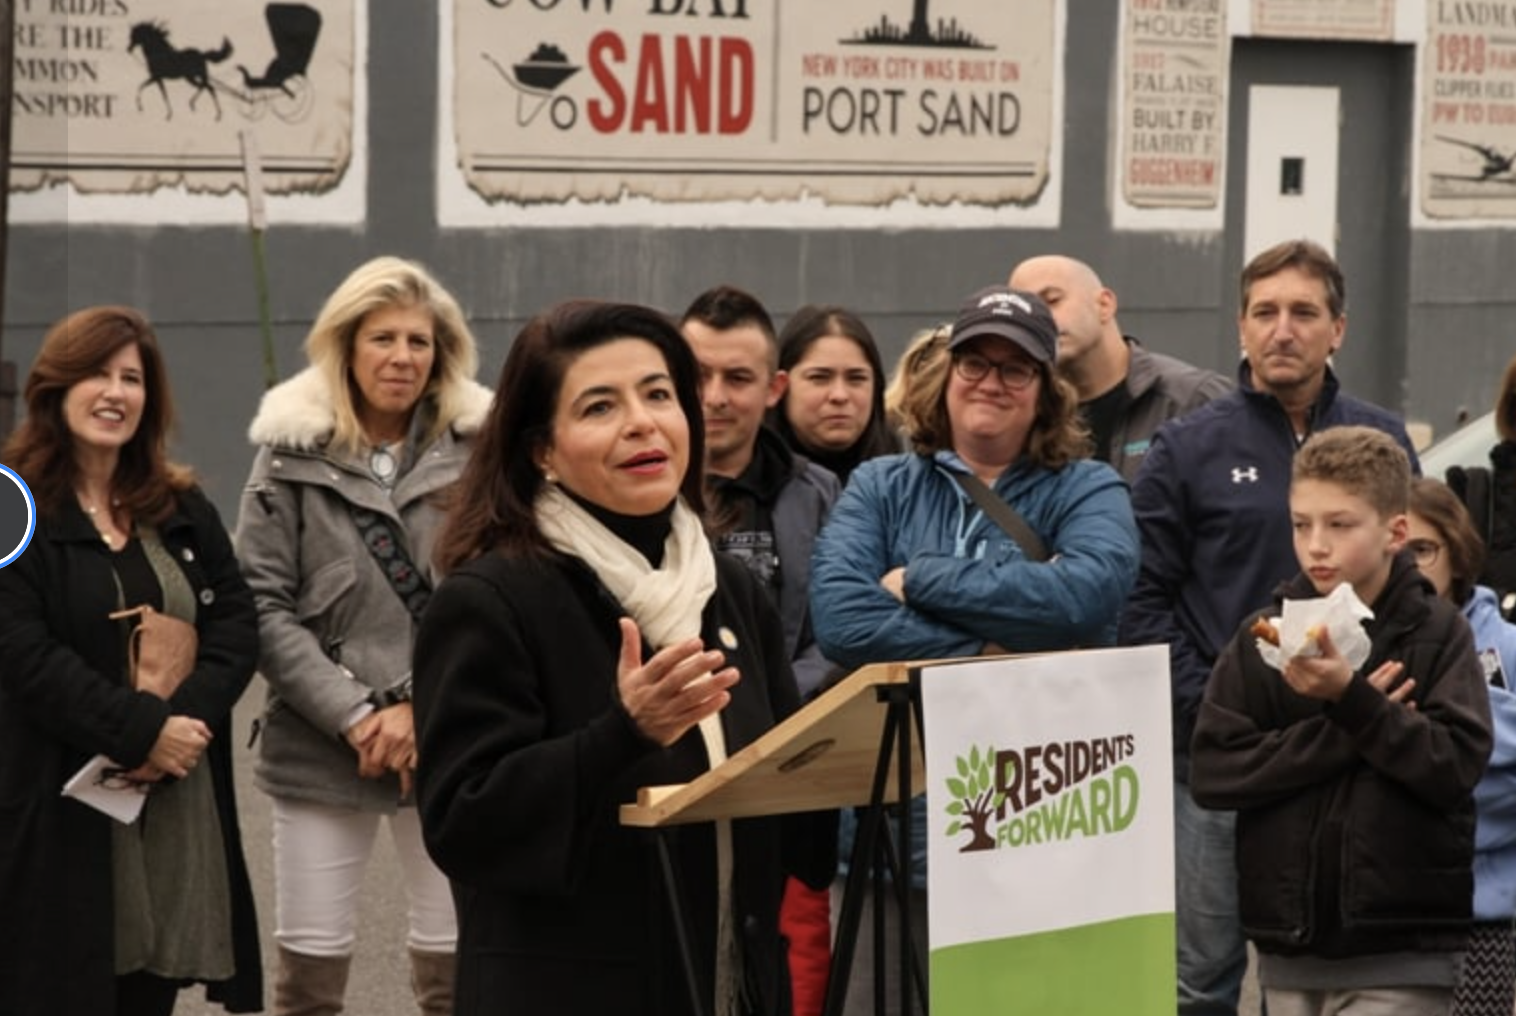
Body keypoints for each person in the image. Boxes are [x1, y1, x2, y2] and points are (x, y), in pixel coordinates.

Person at [411, 299, 831, 1016]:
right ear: (542, 449)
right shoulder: (492, 598)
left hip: (731, 981)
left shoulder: (727, 588)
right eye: (600, 406)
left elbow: (791, 813)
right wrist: (623, 734)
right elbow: (463, 821)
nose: (642, 421)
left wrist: (864, 757)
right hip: (571, 990)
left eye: (660, 394)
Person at [810, 284, 1140, 1014]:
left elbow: (1086, 598)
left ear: (1045, 392)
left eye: (1014, 367)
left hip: (1036, 829)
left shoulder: (1089, 490)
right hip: (893, 839)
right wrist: (997, 644)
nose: (991, 381)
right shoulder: (880, 484)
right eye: (974, 362)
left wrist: (920, 578)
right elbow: (842, 621)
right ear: (945, 375)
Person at [1118, 238, 1423, 1016]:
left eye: (1304, 312)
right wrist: (1207, 710)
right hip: (1223, 764)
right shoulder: (1188, 446)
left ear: (1339, 329)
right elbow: (1142, 599)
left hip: (1350, 752)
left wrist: (1374, 706)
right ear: (1242, 327)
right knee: (1202, 981)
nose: (1283, 329)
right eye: (1265, 312)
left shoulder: (1382, 439)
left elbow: (1416, 585)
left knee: (1322, 980)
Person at [235, 257, 490, 1015]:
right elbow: (261, 604)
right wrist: (353, 712)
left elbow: (493, 599)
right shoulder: (288, 453)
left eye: (419, 341)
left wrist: (418, 706)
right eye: (384, 338)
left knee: (457, 974)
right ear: (346, 346)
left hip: (449, 739)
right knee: (308, 979)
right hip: (319, 741)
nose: (403, 357)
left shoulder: (478, 454)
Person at [0, 305, 262, 1016]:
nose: (114, 392)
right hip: (56, 810)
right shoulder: (12, 503)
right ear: (54, 387)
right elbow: (22, 651)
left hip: (170, 808)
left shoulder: (178, 505)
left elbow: (237, 623)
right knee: (59, 982)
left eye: (131, 377)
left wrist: (178, 728)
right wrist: (140, 730)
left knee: (149, 988)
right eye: (95, 373)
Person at [1190, 426, 1492, 1016]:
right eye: (1301, 524)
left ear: (1395, 532)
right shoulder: (1266, 634)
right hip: (1288, 947)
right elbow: (1214, 771)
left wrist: (1353, 700)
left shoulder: (1438, 632)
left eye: (1340, 524)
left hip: (1402, 945)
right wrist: (1348, 722)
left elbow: (1454, 767)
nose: (1316, 546)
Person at [679, 284, 842, 1016]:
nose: (714, 397)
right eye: (696, 375)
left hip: (788, 769)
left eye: (738, 378)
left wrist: (771, 709)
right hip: (674, 768)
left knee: (789, 973)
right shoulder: (636, 485)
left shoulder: (822, 494)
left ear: (774, 388)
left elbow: (838, 629)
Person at [1407, 477, 1516, 1016]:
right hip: (1382, 920)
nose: (1407, 566)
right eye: (1392, 549)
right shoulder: (1347, 638)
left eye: (1422, 550)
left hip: (1481, 915)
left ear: (1456, 550)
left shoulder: (1507, 646)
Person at [1007, 254, 1230, 482]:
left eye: (1052, 301)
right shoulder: (1023, 414)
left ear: (1104, 304)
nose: (1041, 319)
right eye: (1027, 313)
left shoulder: (1194, 399)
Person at [770, 304, 899, 485]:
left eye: (856, 378)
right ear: (780, 386)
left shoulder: (908, 486)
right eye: (820, 378)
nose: (839, 395)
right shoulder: (743, 484)